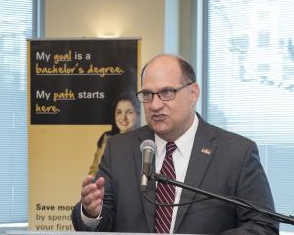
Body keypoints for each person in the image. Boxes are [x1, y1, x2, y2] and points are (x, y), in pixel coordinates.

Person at [72, 54, 279, 234]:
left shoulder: (237, 153)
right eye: (147, 95)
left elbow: (263, 225)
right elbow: (99, 220)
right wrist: (91, 212)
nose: (154, 105)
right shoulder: (119, 149)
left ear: (193, 93)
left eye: (166, 93)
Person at [88, 91, 141, 176]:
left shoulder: (144, 141)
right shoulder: (106, 137)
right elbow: (94, 170)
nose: (123, 117)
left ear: (138, 115)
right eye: (119, 112)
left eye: (129, 112)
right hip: (104, 188)